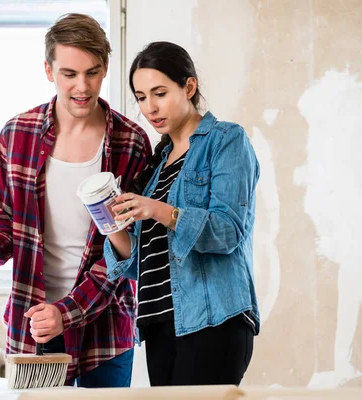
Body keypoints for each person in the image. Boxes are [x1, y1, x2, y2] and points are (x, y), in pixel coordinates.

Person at [0, 13, 151, 387]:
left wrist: (68, 311)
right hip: (34, 322)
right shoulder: (17, 135)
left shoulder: (131, 143)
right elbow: (2, 229)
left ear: (106, 68)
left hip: (104, 327)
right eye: (69, 73)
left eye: (92, 72)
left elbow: (129, 251)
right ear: (48, 70)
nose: (82, 86)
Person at [104, 41, 260, 386]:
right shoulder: (157, 167)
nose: (150, 107)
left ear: (188, 86)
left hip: (213, 320)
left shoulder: (226, 141)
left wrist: (159, 210)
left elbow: (228, 230)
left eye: (159, 93)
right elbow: (139, 263)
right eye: (141, 97)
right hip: (159, 324)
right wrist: (108, 223)